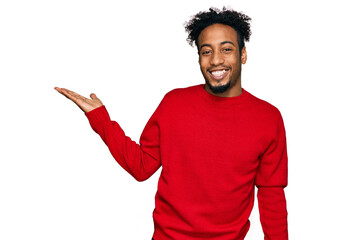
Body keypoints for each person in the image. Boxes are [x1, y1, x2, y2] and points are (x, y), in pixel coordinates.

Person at [55, 6, 288, 240]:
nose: (216, 60)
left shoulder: (268, 118)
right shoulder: (174, 103)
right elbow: (142, 167)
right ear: (199, 58)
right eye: (206, 51)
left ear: (243, 54)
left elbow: (271, 195)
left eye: (226, 49)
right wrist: (101, 120)